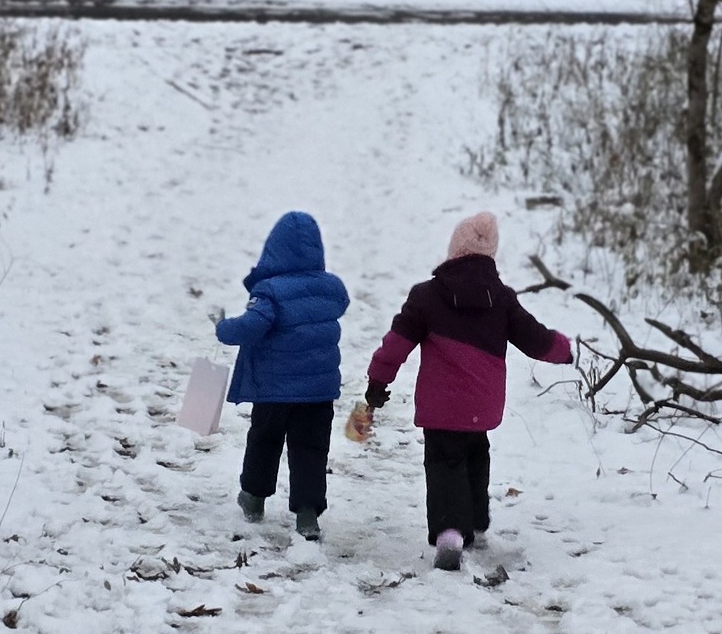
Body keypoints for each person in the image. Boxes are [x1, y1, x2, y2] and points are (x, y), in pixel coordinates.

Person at [365, 211, 573, 571]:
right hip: (482, 404)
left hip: (441, 406)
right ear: (491, 255)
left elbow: (396, 343)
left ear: (453, 251)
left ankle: (449, 532)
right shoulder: (502, 299)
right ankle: (475, 520)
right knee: (476, 453)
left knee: (445, 462)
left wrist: (378, 381)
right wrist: (565, 349)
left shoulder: (426, 296)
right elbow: (535, 339)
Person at [215, 211, 350, 542]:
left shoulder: (270, 291)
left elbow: (251, 326)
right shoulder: (331, 288)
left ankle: (254, 497)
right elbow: (339, 305)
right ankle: (307, 514)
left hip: (274, 391)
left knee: (265, 440)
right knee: (310, 449)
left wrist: (223, 327)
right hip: (318, 393)